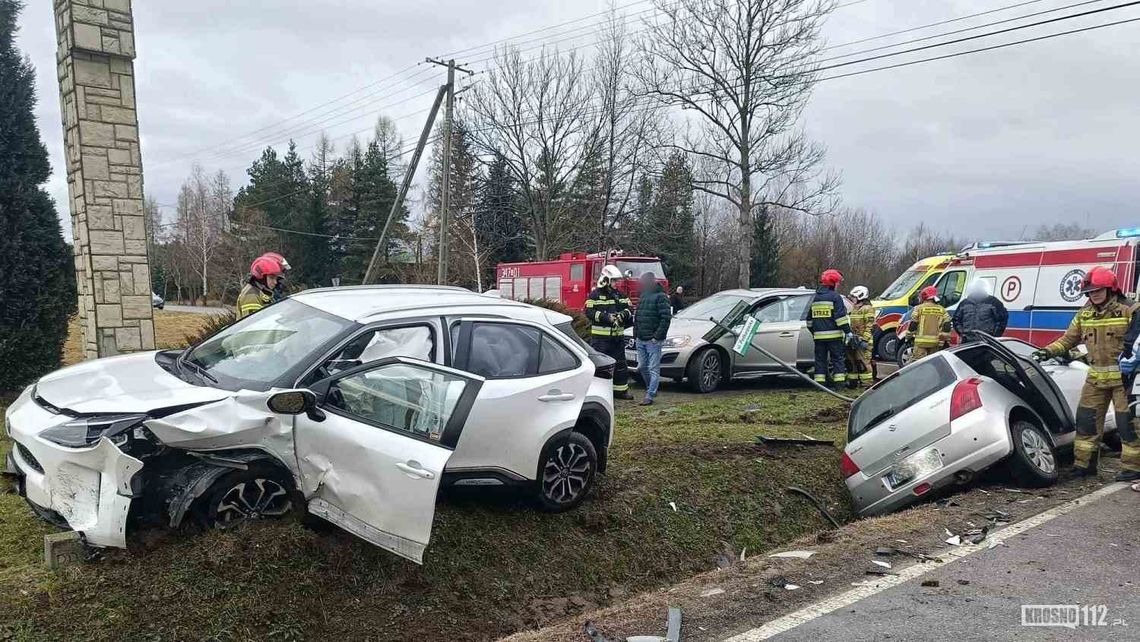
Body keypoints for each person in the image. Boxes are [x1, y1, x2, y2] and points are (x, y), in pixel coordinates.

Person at [1035, 266, 1139, 480]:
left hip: (1124, 378)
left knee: (1127, 423)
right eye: (1090, 292)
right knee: (1086, 421)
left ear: (1111, 289)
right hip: (1096, 377)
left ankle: (1133, 468)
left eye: (1098, 290)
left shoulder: (1130, 310)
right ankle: (1084, 465)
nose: (1094, 295)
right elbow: (1068, 339)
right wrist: (1047, 351)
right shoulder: (1085, 313)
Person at [585, 265, 634, 400]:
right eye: (613, 281)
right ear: (605, 279)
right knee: (601, 366)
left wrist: (623, 315)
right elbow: (588, 312)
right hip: (601, 339)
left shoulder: (620, 295)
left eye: (616, 281)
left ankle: (621, 391)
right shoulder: (595, 295)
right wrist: (606, 317)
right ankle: (598, 393)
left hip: (617, 338)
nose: (615, 284)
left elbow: (630, 309)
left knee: (620, 364)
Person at [633, 272, 672, 406]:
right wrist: (636, 333)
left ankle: (649, 394)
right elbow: (637, 315)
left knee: (653, 368)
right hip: (641, 339)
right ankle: (651, 389)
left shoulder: (661, 297)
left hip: (652, 340)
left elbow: (666, 318)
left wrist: (657, 336)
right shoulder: (644, 295)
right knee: (643, 367)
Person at [810, 269, 851, 387]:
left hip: (818, 338)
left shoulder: (816, 297)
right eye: (837, 283)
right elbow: (840, 318)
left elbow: (809, 320)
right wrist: (848, 332)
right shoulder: (835, 297)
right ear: (833, 283)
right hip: (834, 337)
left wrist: (815, 332)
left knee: (820, 361)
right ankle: (839, 385)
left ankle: (820, 384)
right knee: (837, 359)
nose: (838, 285)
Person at [908, 286, 952, 360]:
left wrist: (908, 336)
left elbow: (913, 324)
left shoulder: (918, 308)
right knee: (933, 363)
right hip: (935, 342)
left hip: (920, 343)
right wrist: (945, 338)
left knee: (919, 364)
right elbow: (947, 325)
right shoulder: (942, 310)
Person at [847, 285, 875, 388]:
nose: (852, 299)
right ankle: (853, 383)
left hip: (864, 341)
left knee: (863, 363)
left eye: (853, 297)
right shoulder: (854, 309)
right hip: (854, 340)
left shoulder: (868, 309)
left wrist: (865, 340)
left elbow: (870, 326)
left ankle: (867, 384)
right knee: (852, 362)